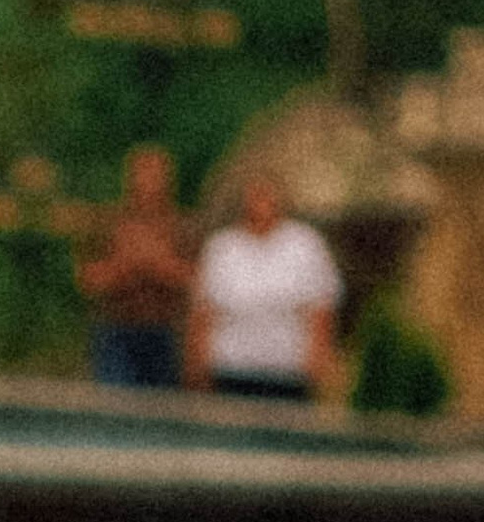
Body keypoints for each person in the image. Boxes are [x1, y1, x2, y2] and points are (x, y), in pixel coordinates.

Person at [189, 170, 342, 404]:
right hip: (231, 370)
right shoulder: (222, 246)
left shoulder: (305, 243)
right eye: (254, 194)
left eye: (266, 194)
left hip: (287, 373)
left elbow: (321, 307)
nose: (260, 202)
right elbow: (204, 311)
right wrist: (199, 365)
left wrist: (318, 361)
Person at [77, 144, 193, 385]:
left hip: (166, 332)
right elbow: (89, 281)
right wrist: (127, 266)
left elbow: (197, 282)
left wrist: (157, 265)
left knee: (164, 411)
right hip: (116, 331)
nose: (148, 182)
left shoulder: (182, 227)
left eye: (156, 174)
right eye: (142, 173)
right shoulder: (108, 223)